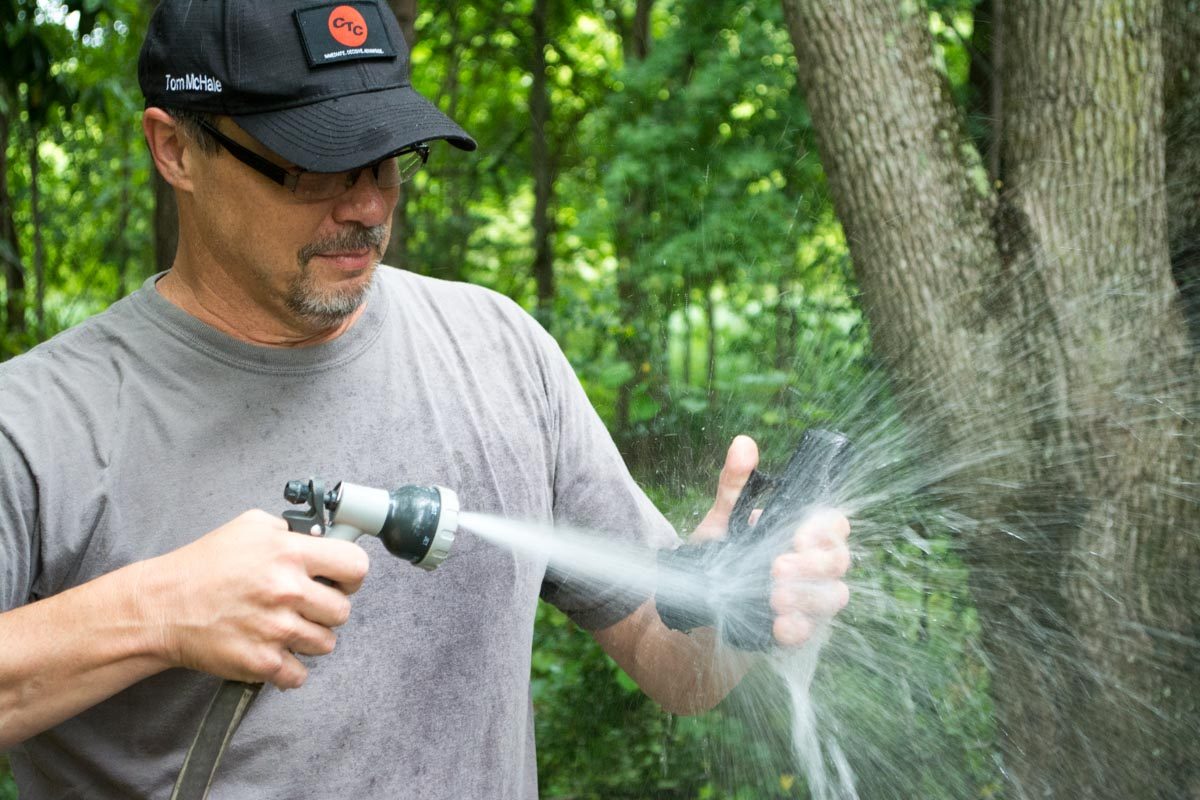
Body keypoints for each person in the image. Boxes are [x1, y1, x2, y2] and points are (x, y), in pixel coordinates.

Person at [0, 1, 851, 797]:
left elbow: (674, 664)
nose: (367, 206)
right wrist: (153, 611)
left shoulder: (500, 351)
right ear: (175, 149)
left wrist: (733, 595)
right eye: (314, 165)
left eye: (388, 159)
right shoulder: (39, 426)